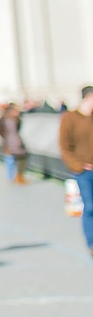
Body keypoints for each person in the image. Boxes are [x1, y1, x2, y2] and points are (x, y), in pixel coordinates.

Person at [59, 86, 93, 256]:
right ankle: (91, 243)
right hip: (84, 172)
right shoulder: (70, 118)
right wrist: (78, 166)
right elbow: (65, 146)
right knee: (90, 206)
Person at [0, 103, 28, 185]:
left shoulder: (4, 119)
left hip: (9, 141)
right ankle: (17, 176)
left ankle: (12, 177)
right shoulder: (15, 119)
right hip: (13, 141)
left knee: (10, 159)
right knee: (19, 157)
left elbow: (0, 130)